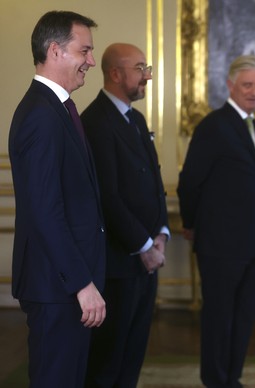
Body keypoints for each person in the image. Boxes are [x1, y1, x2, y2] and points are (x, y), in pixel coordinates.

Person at [8, 10, 106, 388]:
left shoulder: (57, 109)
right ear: (55, 51)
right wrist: (82, 284)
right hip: (58, 287)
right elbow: (45, 211)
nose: (91, 62)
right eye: (85, 51)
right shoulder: (41, 115)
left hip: (65, 284)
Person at [177, 54, 255, 388]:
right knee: (219, 319)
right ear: (230, 85)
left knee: (243, 317)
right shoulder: (214, 125)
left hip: (251, 243)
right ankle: (216, 381)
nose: (254, 91)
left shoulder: (252, 124)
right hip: (220, 244)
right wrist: (190, 222)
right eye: (247, 84)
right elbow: (189, 181)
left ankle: (232, 379)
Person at [81, 43, 169, 388]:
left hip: (146, 261)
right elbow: (109, 197)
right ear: (116, 74)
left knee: (133, 356)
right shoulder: (96, 122)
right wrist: (144, 245)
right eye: (140, 68)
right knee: (108, 361)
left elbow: (155, 180)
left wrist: (161, 232)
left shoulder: (136, 117)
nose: (146, 75)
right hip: (118, 265)